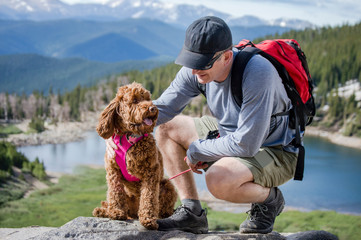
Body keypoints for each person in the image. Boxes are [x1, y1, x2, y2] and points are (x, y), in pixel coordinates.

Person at [107, 16, 298, 234]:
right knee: (168, 128)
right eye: (190, 61)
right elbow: (162, 110)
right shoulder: (197, 70)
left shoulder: (258, 73)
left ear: (226, 57)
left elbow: (247, 145)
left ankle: (270, 201)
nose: (195, 70)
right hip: (230, 134)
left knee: (218, 179)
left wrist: (198, 149)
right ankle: (192, 213)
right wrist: (116, 134)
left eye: (202, 64)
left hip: (273, 151)